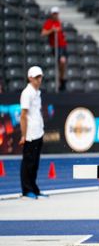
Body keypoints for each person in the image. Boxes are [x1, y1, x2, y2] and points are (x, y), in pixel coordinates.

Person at [20, 66, 48, 200]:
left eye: (40, 77)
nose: (39, 80)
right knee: (28, 163)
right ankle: (27, 190)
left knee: (35, 163)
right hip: (30, 135)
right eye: (36, 77)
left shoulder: (37, 93)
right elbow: (23, 116)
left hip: (38, 132)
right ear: (30, 78)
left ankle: (34, 189)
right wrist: (24, 135)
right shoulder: (27, 93)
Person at [41, 6, 67, 91]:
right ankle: (61, 81)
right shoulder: (49, 23)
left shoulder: (59, 22)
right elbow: (43, 33)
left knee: (62, 62)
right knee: (61, 62)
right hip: (56, 46)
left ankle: (62, 80)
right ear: (52, 14)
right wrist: (52, 30)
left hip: (63, 46)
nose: (55, 15)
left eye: (56, 14)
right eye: (54, 14)